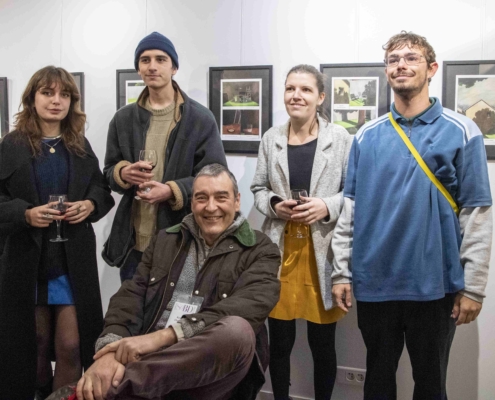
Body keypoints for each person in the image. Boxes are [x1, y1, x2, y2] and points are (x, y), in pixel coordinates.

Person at [332, 31, 492, 400]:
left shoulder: (462, 130)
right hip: (375, 282)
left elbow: (477, 213)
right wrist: (341, 271)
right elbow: (350, 208)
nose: (400, 65)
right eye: (393, 60)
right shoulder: (365, 136)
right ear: (386, 71)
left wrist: (474, 287)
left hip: (435, 284)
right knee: (378, 381)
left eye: (411, 58)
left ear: (431, 68)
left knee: (431, 383)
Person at [47, 163, 281, 400]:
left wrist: (162, 338)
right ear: (192, 203)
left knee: (238, 332)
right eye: (202, 198)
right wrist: (109, 354)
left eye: (221, 197)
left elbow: (248, 307)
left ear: (237, 200)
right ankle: (129, 387)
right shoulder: (166, 240)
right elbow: (130, 298)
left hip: (207, 372)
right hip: (150, 363)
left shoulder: (261, 250)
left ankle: (115, 388)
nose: (211, 207)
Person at [0, 66, 115, 400]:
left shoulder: (78, 143)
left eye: (64, 94)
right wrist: (24, 214)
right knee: (30, 346)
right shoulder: (12, 144)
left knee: (71, 345)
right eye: (47, 93)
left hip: (70, 261)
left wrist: (91, 205)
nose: (56, 101)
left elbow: (101, 189)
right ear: (32, 98)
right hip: (25, 262)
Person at [251, 64, 352, 400]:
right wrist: (274, 204)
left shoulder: (340, 139)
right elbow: (257, 189)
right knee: (279, 343)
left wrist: (326, 206)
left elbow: (354, 193)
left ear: (320, 97)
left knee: (322, 345)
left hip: (323, 255)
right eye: (290, 88)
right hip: (280, 254)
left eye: (306, 89)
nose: (296, 95)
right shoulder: (271, 138)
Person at [102, 31, 227, 283]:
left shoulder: (199, 119)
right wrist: (123, 173)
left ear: (174, 68)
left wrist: (171, 190)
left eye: (160, 59)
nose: (152, 66)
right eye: (145, 60)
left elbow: (217, 176)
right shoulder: (123, 119)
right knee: (133, 318)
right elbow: (109, 172)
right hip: (133, 245)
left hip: (181, 239)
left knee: (176, 318)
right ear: (138, 68)